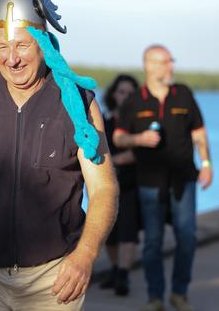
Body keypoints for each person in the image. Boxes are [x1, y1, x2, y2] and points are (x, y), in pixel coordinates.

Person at [0, 0, 119, 311]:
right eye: (3, 47)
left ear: (42, 45)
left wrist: (85, 256)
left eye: (22, 45)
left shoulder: (78, 106)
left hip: (54, 276)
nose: (12, 58)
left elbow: (104, 189)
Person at [113, 45, 212, 311]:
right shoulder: (135, 101)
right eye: (165, 62)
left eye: (171, 62)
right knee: (153, 241)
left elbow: (199, 134)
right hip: (150, 181)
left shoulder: (184, 95)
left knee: (187, 237)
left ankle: (179, 292)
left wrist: (206, 163)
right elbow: (118, 137)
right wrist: (139, 139)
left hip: (184, 179)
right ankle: (155, 297)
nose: (171, 67)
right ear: (149, 66)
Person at [98, 74, 140, 296]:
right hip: (106, 183)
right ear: (114, 93)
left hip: (131, 182)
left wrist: (114, 161)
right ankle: (115, 270)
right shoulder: (104, 120)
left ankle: (123, 274)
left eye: (130, 93)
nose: (125, 96)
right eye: (121, 91)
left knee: (128, 229)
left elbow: (142, 151)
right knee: (108, 229)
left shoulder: (138, 121)